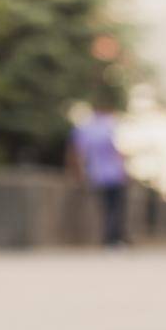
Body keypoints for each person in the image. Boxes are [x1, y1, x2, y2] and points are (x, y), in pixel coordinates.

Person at [66, 98, 130, 247]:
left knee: (106, 207)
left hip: (96, 174)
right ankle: (112, 239)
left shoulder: (84, 128)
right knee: (115, 207)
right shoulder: (109, 124)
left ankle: (112, 237)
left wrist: (78, 172)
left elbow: (76, 152)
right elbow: (118, 150)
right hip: (114, 174)